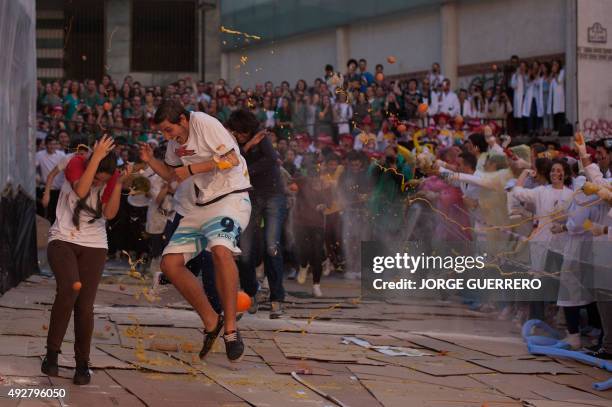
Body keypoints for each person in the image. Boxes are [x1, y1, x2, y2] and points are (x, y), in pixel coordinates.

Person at [139, 99, 252, 362]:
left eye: (169, 130)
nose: (168, 136)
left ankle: (231, 331)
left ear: (182, 119)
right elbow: (171, 176)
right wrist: (150, 161)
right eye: (164, 133)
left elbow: (231, 159)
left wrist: (190, 168)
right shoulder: (173, 145)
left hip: (230, 197)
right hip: (200, 204)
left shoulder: (204, 122)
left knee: (221, 251)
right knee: (170, 264)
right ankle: (212, 322)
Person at [42, 136, 125, 385]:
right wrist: (95, 159)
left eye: (103, 178)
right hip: (62, 238)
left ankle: (82, 363)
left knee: (85, 305)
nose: (99, 182)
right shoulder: (76, 162)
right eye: (98, 176)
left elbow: (109, 213)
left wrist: (117, 183)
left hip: (94, 244)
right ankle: (52, 354)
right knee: (68, 289)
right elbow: (80, 190)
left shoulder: (110, 177)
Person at [227, 110, 288, 319]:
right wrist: (247, 147)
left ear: (247, 129)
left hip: (273, 195)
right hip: (250, 198)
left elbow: (271, 159)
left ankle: (276, 299)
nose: (238, 136)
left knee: (272, 246)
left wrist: (247, 165)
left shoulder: (261, 137)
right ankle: (251, 293)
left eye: (241, 134)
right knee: (244, 251)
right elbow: (231, 162)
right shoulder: (240, 142)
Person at [36, 135, 66, 223]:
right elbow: (32, 167)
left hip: (60, 190)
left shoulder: (62, 155)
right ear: (46, 145)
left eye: (54, 144)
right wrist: (36, 175)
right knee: (44, 213)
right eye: (50, 144)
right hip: (46, 189)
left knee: (57, 214)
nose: (52, 146)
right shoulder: (39, 155)